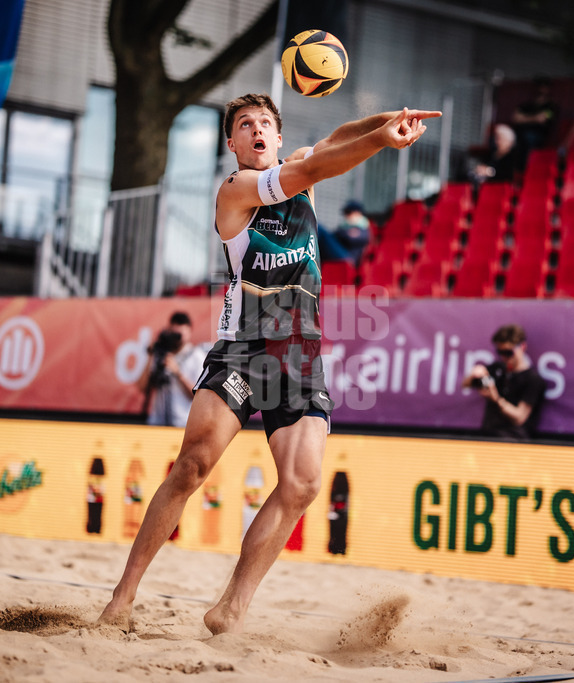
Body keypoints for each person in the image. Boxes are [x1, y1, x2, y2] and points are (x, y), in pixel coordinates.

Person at [98, 93, 440, 634]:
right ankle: (123, 595)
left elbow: (336, 139)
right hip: (244, 350)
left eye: (265, 124)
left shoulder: (300, 166)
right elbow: (320, 162)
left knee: (303, 484)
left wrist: (388, 119)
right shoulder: (236, 191)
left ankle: (231, 606)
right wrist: (380, 142)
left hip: (299, 356)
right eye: (244, 125)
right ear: (231, 143)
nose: (256, 130)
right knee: (191, 468)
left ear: (277, 138)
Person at [462, 324, 547, 441]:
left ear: (522, 347)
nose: (504, 357)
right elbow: (465, 384)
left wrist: (496, 399)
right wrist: (474, 375)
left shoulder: (533, 379)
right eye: (500, 352)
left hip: (514, 440)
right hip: (486, 436)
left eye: (508, 352)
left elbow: (519, 417)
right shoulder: (498, 368)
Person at [139, 311, 208, 427]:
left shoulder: (197, 356)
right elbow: (143, 387)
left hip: (182, 424)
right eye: (174, 333)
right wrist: (151, 355)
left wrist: (178, 373)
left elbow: (200, 397)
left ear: (189, 332)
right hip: (157, 423)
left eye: (180, 335)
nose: (177, 338)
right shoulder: (161, 354)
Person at [511, 75, 560, 166]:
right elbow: (516, 118)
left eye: (544, 86)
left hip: (539, 135)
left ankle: (526, 169)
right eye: (539, 86)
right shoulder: (527, 105)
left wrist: (524, 118)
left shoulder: (551, 106)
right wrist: (534, 118)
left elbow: (542, 119)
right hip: (519, 132)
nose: (541, 89)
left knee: (528, 137)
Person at [332, 200, 372, 266]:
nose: (346, 216)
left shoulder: (364, 228)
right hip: (340, 254)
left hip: (349, 258)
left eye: (348, 213)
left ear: (357, 213)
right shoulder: (344, 228)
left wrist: (343, 233)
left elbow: (350, 238)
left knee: (321, 231)